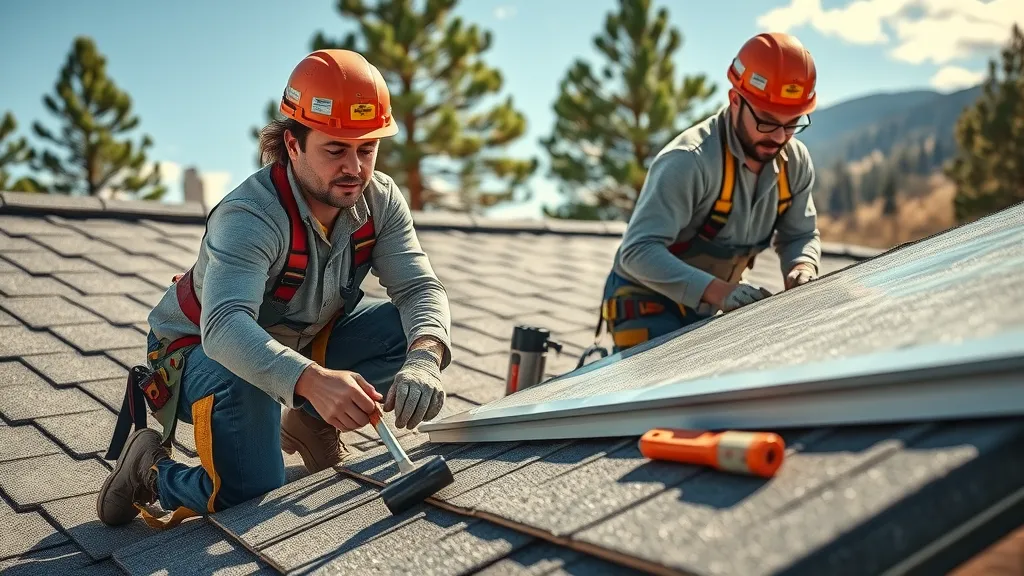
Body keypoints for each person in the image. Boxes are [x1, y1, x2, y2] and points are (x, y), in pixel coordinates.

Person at [96, 49, 453, 528]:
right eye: (335, 150)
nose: (355, 168)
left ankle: (310, 422)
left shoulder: (380, 200)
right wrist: (313, 380)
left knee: (402, 329)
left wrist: (425, 357)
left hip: (296, 342)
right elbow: (223, 328)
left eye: (367, 149)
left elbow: (418, 289)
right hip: (201, 353)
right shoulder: (249, 215)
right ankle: (150, 471)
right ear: (292, 144)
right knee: (250, 491)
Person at [596, 32, 822, 354]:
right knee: (668, 396)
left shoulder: (794, 162)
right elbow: (637, 251)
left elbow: (800, 234)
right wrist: (719, 292)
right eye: (767, 122)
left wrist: (802, 267)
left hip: (715, 300)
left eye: (792, 123)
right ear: (735, 101)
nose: (779, 137)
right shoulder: (689, 161)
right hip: (647, 299)